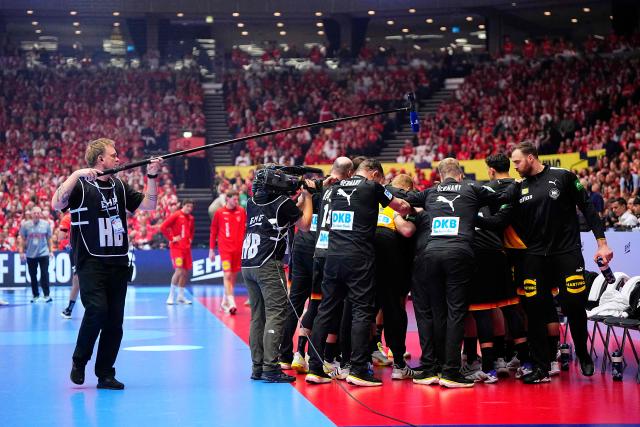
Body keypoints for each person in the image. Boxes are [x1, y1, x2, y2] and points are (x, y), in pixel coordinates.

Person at [490, 141, 613, 383]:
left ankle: (584, 353)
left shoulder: (564, 176)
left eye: (517, 162)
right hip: (534, 256)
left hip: (567, 253)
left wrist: (602, 243)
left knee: (573, 305)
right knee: (534, 310)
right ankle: (540, 366)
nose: (514, 167)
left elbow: (587, 209)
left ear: (531, 158)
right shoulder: (518, 187)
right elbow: (499, 217)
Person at [51, 138, 162, 390]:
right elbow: (56, 203)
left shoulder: (120, 187)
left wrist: (152, 177)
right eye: (114, 155)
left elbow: (150, 205)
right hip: (90, 262)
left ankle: (105, 373)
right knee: (97, 310)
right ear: (100, 159)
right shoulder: (80, 186)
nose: (118, 158)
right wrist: (78, 172)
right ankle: (79, 361)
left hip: (118, 263)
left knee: (115, 322)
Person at [305, 158, 411, 387]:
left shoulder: (332, 187)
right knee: (362, 311)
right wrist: (413, 206)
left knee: (326, 310)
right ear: (373, 174)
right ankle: (359, 369)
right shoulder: (373, 187)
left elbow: (310, 187)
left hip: (332, 256)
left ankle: (315, 367)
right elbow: (400, 207)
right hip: (359, 257)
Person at [407, 158, 507, 388]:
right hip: (459, 255)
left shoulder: (430, 192)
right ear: (460, 174)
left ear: (440, 176)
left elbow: (401, 199)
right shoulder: (471, 189)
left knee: (437, 311)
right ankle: (451, 372)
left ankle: (433, 368)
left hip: (430, 255)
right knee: (456, 312)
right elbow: (503, 194)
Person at [241, 166, 313, 383]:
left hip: (248, 265)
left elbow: (287, 213)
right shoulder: (281, 204)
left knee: (257, 316)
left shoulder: (251, 204)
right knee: (276, 314)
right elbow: (305, 224)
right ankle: (271, 368)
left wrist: (297, 200)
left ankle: (258, 367)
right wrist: (307, 196)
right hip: (268, 265)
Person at [209, 190, 246, 314]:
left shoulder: (241, 211)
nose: (237, 201)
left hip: (238, 249)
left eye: (237, 199)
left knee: (233, 276)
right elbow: (213, 232)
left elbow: (245, 229)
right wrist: (211, 250)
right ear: (228, 199)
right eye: (234, 199)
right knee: (227, 274)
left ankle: (225, 302)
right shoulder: (219, 213)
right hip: (225, 250)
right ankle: (232, 302)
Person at [161, 199, 195, 305]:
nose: (189, 209)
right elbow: (163, 227)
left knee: (185, 272)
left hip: (186, 248)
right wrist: (172, 238)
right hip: (176, 248)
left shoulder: (191, 218)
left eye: (191, 207)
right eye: (188, 206)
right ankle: (171, 296)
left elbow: (192, 230)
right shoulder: (176, 215)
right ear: (183, 205)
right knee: (179, 270)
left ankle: (181, 296)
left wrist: (190, 239)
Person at [19, 206, 53, 303]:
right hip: (30, 254)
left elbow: (49, 239)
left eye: (38, 213)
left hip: (43, 253)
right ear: (31, 214)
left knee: (45, 274)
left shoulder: (46, 224)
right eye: (35, 213)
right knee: (33, 275)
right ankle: (35, 295)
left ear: (40, 214)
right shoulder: (25, 225)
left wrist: (51, 251)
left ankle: (47, 295)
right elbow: (22, 239)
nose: (37, 215)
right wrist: (21, 252)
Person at [58, 211, 80, 318]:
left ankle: (69, 310)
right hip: (92, 251)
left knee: (77, 279)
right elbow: (61, 238)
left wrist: (70, 247)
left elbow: (61, 238)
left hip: (77, 251)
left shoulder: (68, 217)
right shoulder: (92, 211)